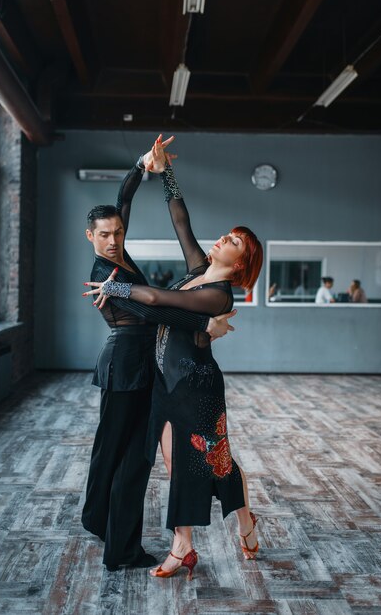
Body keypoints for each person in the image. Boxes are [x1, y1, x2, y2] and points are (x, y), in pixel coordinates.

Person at [85, 136, 263, 580]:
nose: (225, 238)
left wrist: (117, 288)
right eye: (229, 235)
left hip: (194, 383)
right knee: (176, 462)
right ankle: (183, 544)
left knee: (214, 458)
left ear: (239, 265)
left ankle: (241, 522)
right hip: (164, 379)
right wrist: (165, 172)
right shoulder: (199, 267)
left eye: (234, 241)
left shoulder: (217, 293)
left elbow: (158, 300)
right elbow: (180, 220)